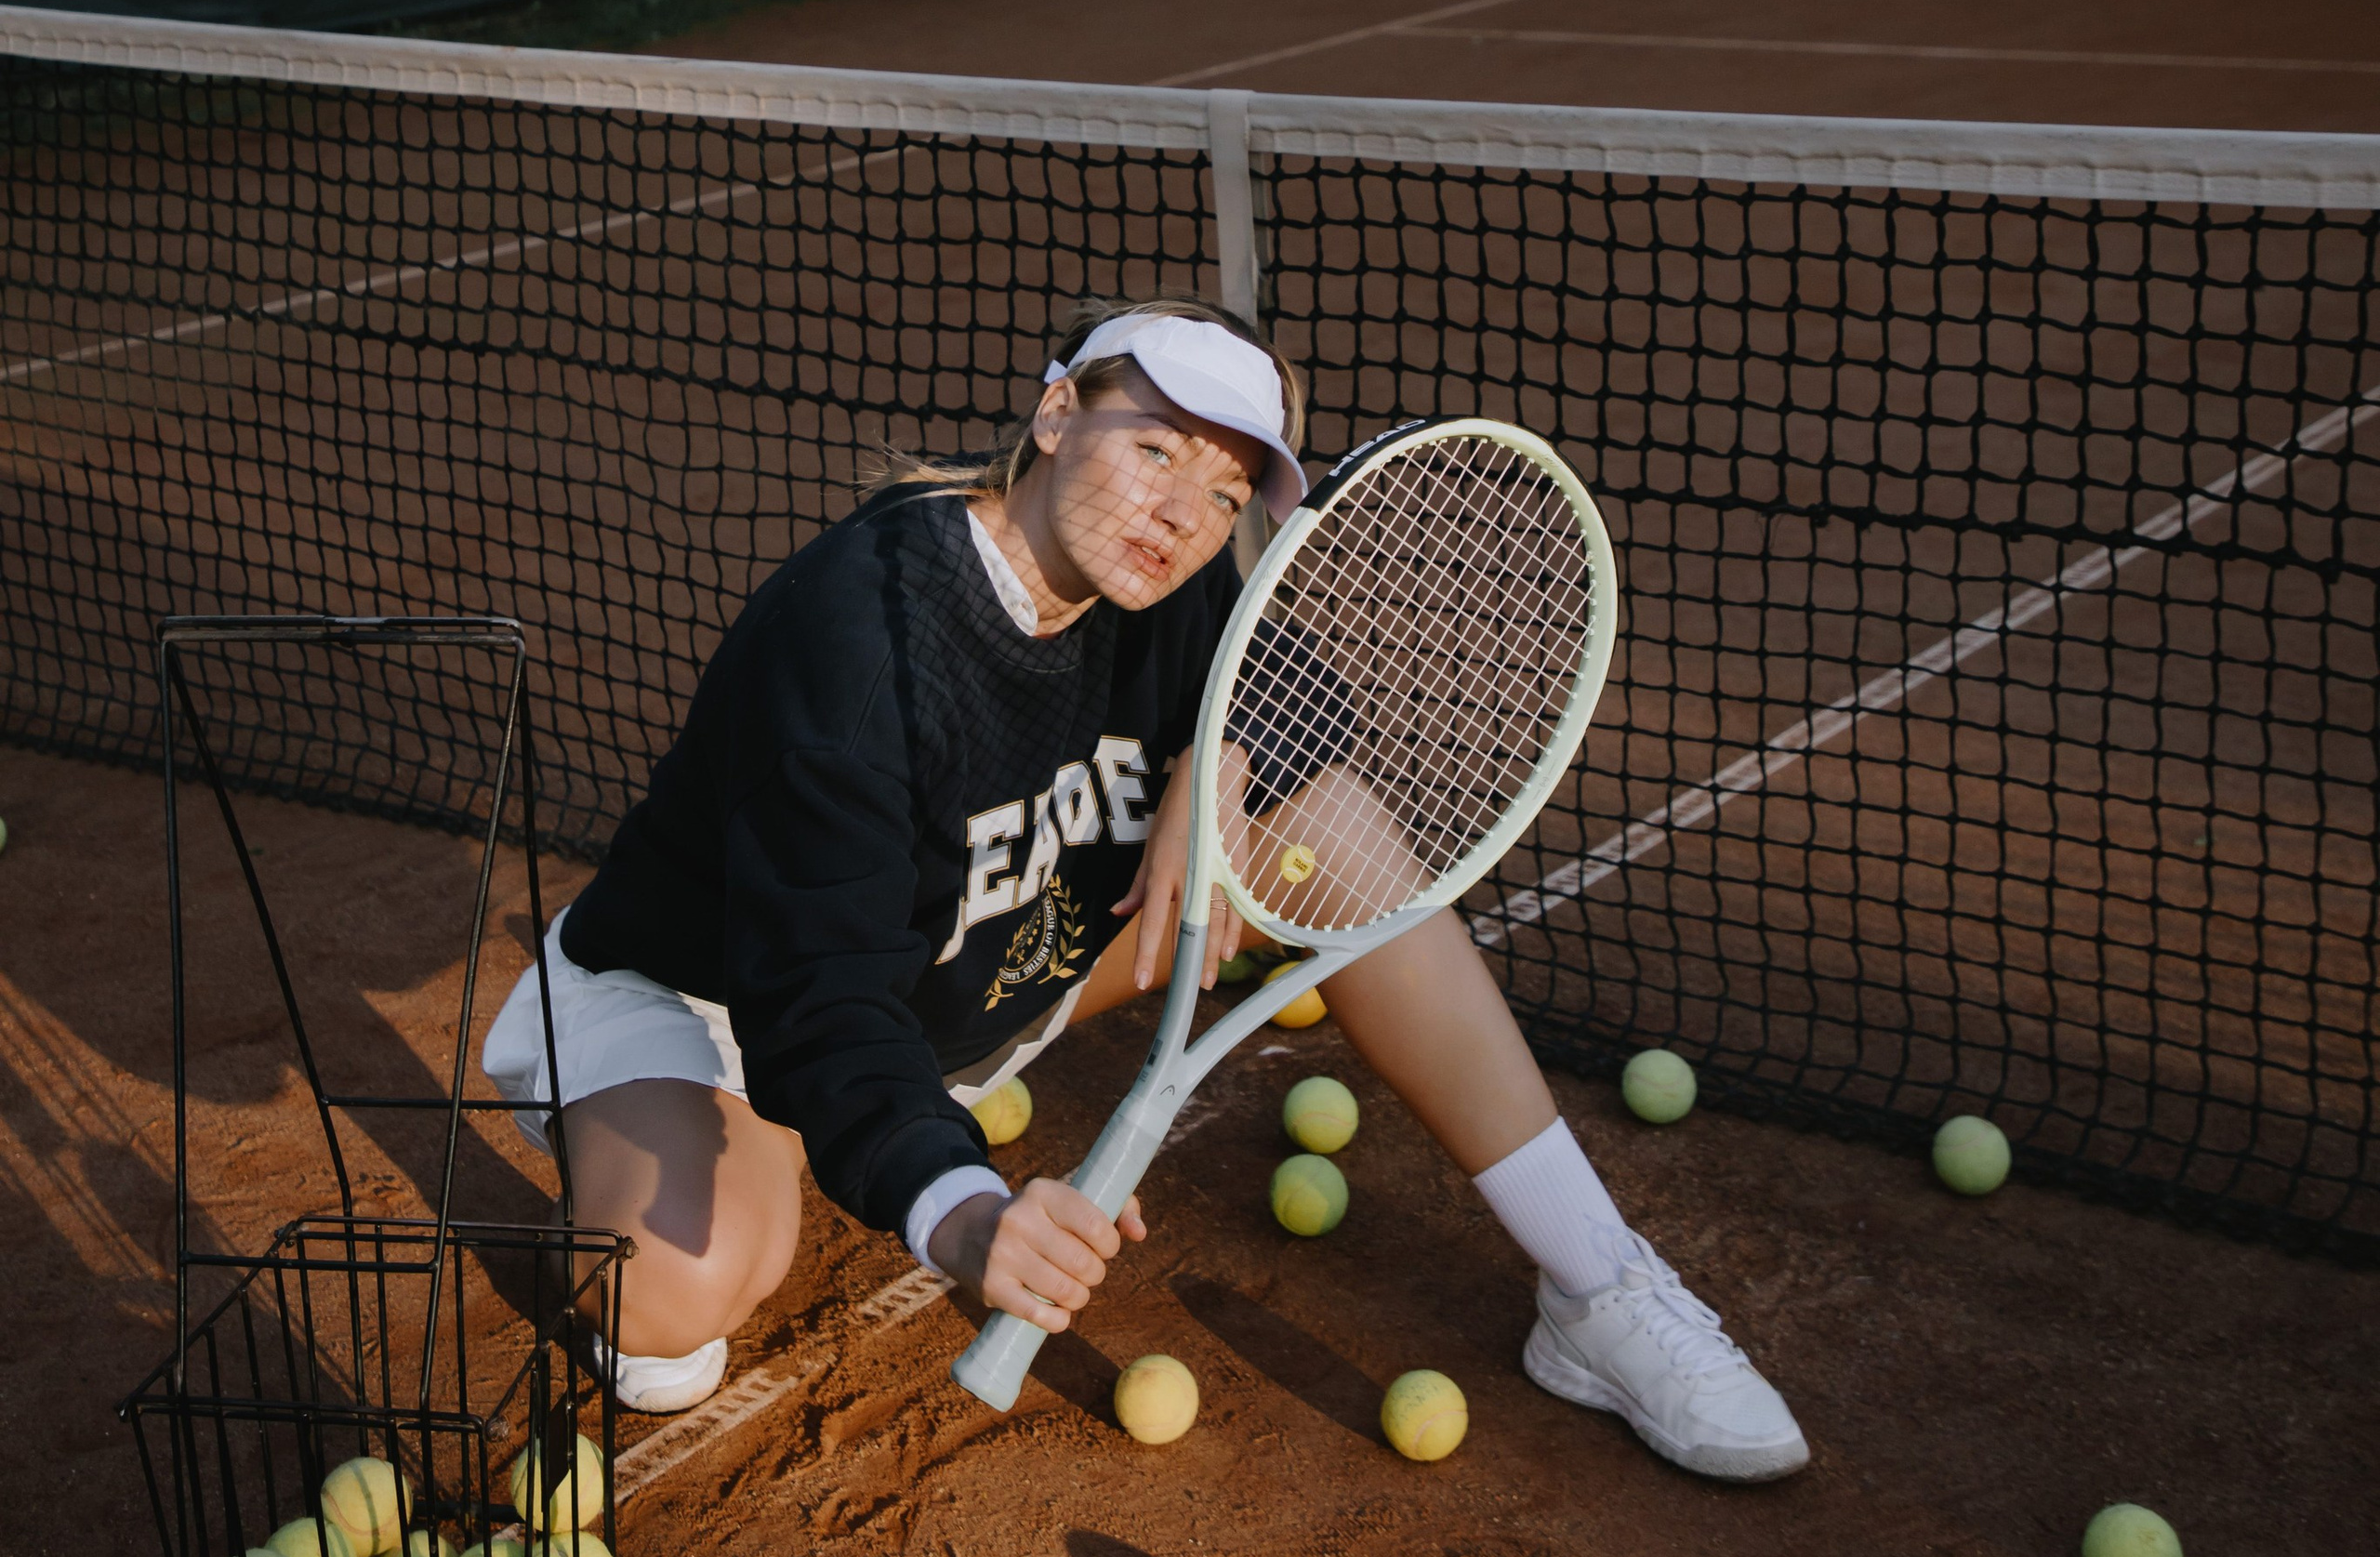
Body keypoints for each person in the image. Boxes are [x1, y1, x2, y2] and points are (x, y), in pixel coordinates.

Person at [483, 298, 1806, 1481]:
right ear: (1058, 413)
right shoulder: (860, 643)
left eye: (1229, 493)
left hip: (970, 979)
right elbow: (816, 1004)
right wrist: (960, 1215)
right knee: (680, 1291)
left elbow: (1294, 684)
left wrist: (1219, 759)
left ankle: (1595, 1283)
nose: (1182, 514)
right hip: (719, 993)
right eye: (1157, 447)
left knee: (1329, 835)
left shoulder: (1157, 580)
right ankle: (655, 1138)